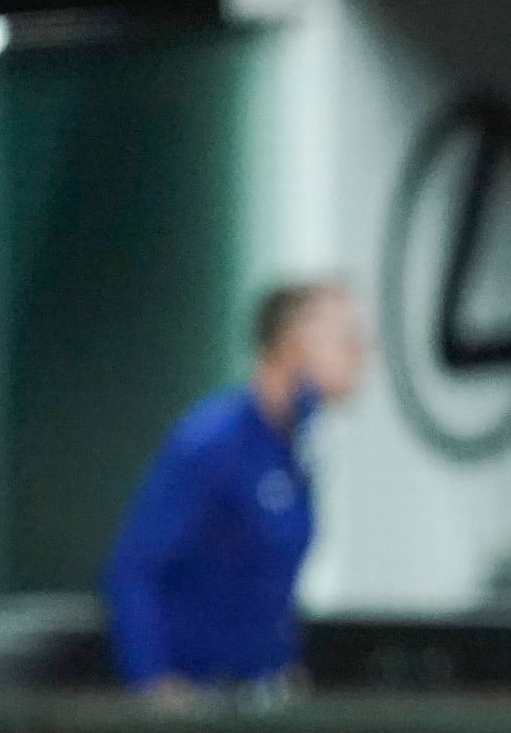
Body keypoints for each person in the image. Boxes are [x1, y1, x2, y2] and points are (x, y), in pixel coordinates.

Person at [103, 282, 365, 703]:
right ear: (294, 344)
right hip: (199, 709)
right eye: (345, 340)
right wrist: (154, 685)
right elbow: (135, 570)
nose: (361, 356)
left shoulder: (300, 446)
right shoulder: (211, 444)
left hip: (263, 697)